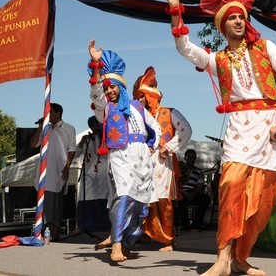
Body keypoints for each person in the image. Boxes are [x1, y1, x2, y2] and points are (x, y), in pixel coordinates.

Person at [164, 0, 276, 276]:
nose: (239, 21)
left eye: (242, 16)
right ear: (222, 25)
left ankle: (241, 258)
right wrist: (176, 8)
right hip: (239, 130)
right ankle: (223, 260)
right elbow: (185, 48)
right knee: (230, 188)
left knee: (263, 201)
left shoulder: (266, 47)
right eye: (232, 18)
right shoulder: (218, 59)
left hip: (270, 130)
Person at [87, 39, 161, 262]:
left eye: (112, 87)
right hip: (120, 157)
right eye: (107, 87)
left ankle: (125, 242)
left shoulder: (138, 107)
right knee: (123, 197)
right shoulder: (105, 109)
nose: (109, 91)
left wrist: (151, 146)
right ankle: (116, 244)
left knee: (140, 206)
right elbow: (96, 95)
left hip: (142, 159)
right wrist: (96, 64)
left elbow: (155, 128)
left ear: (122, 87)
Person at [133, 66, 192, 252]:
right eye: (138, 97)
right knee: (143, 200)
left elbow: (186, 130)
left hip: (162, 163)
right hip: (142, 163)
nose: (140, 100)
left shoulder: (169, 112)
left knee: (162, 201)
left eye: (142, 96)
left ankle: (168, 240)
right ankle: (146, 234)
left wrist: (170, 147)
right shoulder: (138, 117)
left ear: (151, 96)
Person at [30, 102, 76, 241]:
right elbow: (33, 144)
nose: (47, 115)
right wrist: (40, 126)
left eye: (49, 112)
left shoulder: (69, 128)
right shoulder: (45, 129)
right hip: (45, 172)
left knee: (57, 202)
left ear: (58, 113)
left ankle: (55, 230)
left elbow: (71, 150)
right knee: (45, 202)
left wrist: (67, 167)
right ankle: (44, 230)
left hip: (60, 170)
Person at [74, 116, 110, 233]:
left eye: (96, 125)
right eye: (92, 126)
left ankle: (104, 227)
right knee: (86, 198)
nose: (94, 128)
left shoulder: (108, 139)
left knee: (104, 200)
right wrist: (81, 143)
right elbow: (75, 154)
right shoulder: (87, 140)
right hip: (89, 176)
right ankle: (84, 226)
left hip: (104, 176)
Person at [177, 149, 211, 232]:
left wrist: (193, 193)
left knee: (206, 199)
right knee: (180, 199)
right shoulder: (179, 170)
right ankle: (185, 224)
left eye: (193, 158)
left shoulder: (198, 171)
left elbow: (200, 184)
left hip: (193, 192)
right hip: (182, 192)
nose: (192, 160)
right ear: (185, 158)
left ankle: (196, 224)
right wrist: (184, 193)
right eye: (190, 158)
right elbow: (177, 184)